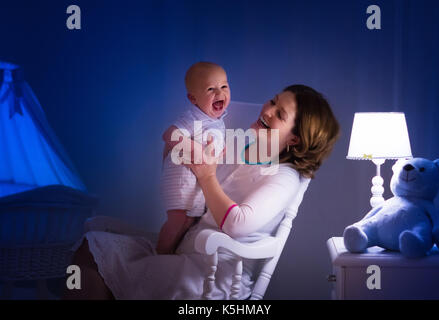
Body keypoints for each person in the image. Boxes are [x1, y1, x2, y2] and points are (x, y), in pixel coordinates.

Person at [63, 84, 340, 300]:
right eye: (273, 100)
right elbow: (191, 187)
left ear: (295, 138)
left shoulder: (285, 177)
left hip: (213, 275)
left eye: (280, 114)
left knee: (98, 257)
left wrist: (207, 175)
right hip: (187, 250)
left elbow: (237, 223)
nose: (267, 110)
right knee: (93, 244)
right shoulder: (246, 150)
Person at [157, 61, 231, 254]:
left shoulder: (216, 120)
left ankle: (171, 253)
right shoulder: (194, 116)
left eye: (224, 86)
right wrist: (196, 149)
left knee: (189, 222)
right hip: (180, 179)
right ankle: (159, 255)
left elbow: (212, 143)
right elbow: (170, 135)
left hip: (195, 181)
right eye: (210, 89)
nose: (219, 93)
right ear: (193, 98)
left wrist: (218, 150)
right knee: (178, 220)